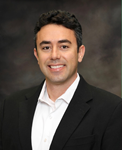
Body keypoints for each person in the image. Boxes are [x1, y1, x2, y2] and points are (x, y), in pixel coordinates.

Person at [0, 10, 122, 150]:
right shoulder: (10, 107)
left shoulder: (112, 110)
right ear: (37, 55)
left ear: (80, 53)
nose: (54, 55)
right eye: (46, 47)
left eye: (64, 46)